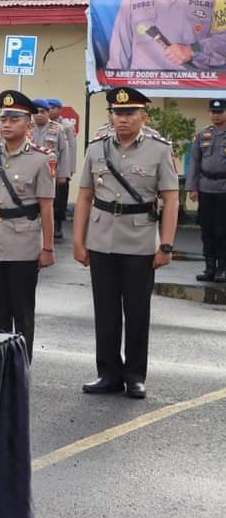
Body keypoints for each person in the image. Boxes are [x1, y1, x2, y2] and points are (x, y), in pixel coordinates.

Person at [74, 87, 178, 399]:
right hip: (101, 238)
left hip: (140, 240)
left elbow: (171, 201)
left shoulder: (159, 150)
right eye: (118, 113)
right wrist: (79, 241)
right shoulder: (96, 148)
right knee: (105, 311)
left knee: (136, 312)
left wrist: (167, 245)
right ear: (111, 116)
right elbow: (84, 197)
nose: (123, 119)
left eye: (130, 113)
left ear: (143, 116)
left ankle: (134, 375)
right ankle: (108, 373)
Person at [0, 90, 55, 361]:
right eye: (4, 119)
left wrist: (48, 248)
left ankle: (21, 365)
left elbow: (46, 206)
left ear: (28, 125)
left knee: (22, 311)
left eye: (14, 119)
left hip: (24, 241)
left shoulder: (41, 159)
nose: (6, 124)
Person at [186, 98, 226, 282]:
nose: (215, 115)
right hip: (206, 187)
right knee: (207, 229)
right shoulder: (203, 135)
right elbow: (194, 162)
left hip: (224, 188)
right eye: (213, 112)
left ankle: (222, 269)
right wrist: (192, 188)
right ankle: (209, 268)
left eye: (219, 112)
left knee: (222, 230)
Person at [46, 98, 77, 240]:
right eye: (48, 108)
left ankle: (57, 225)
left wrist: (69, 170)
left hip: (59, 170)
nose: (50, 110)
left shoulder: (66, 126)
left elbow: (71, 148)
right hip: (43, 170)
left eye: (52, 108)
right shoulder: (42, 125)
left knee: (59, 201)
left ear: (59, 109)